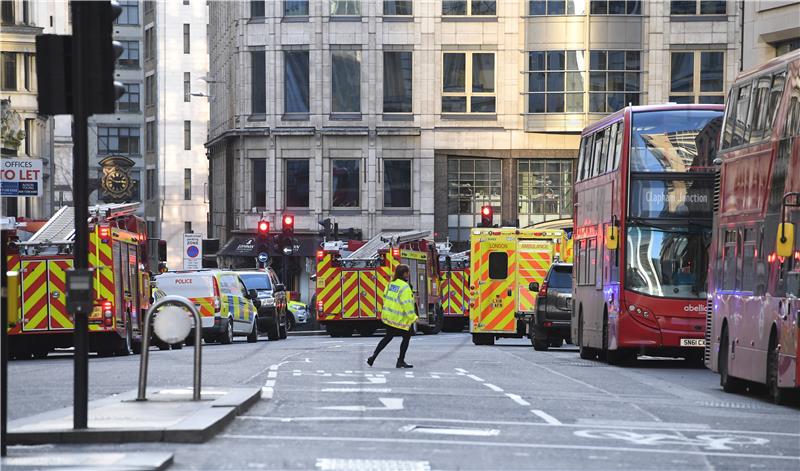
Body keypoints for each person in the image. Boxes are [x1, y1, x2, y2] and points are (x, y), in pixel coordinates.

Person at [367, 264, 417, 368]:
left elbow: (385, 297)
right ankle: (401, 361)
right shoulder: (405, 287)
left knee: (388, 337)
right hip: (399, 318)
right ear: (404, 273)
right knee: (406, 337)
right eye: (407, 272)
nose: (408, 274)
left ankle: (373, 357)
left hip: (389, 316)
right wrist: (413, 317)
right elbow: (407, 304)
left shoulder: (390, 284)